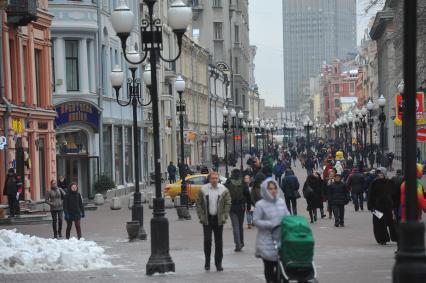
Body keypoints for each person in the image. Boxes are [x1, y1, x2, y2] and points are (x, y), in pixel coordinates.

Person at [254, 179, 290, 283]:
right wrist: (270, 224)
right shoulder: (260, 204)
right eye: (270, 188)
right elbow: (256, 221)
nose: (273, 190)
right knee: (270, 269)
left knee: (283, 268)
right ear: (265, 190)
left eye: (274, 188)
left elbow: (287, 215)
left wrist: (289, 222)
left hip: (281, 240)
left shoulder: (281, 202)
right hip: (266, 241)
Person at [196, 171, 231, 271]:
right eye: (213, 178)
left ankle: (218, 263)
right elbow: (198, 204)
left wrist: (224, 216)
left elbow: (228, 203)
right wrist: (201, 216)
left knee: (219, 242)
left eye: (216, 178)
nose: (214, 180)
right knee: (207, 241)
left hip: (218, 219)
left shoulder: (224, 190)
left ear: (218, 179)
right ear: (209, 179)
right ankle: (207, 262)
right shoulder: (203, 189)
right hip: (207, 219)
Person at [367, 169, 398, 245]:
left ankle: (396, 238)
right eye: (379, 174)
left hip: (388, 206)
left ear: (384, 173)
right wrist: (370, 206)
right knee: (379, 223)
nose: (380, 175)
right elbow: (370, 195)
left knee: (392, 223)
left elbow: (395, 194)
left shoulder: (390, 182)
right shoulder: (374, 183)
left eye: (381, 173)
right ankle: (382, 239)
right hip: (377, 207)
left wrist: (395, 204)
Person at [224, 169, 245, 252]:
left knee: (235, 226)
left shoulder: (228, 183)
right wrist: (249, 205)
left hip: (232, 207)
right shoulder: (243, 183)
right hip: (241, 207)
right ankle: (241, 242)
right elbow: (247, 194)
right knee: (240, 226)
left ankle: (237, 244)